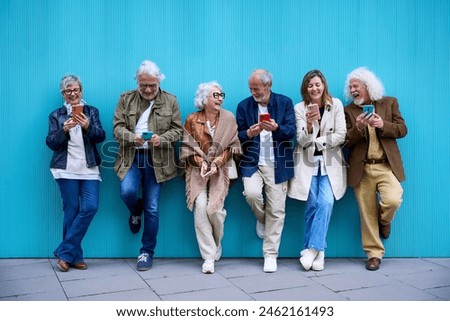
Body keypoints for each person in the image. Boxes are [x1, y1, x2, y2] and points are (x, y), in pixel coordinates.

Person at [113, 60, 182, 271]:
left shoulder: (170, 100)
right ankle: (135, 210)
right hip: (132, 156)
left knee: (152, 208)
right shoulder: (126, 98)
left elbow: (177, 130)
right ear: (137, 82)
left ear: (159, 81)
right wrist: (132, 137)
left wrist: (162, 139)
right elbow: (117, 128)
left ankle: (146, 252)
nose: (148, 89)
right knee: (127, 192)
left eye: (152, 85)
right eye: (143, 85)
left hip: (158, 160)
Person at [344, 67, 407, 271]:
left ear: (368, 86)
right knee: (366, 212)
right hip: (361, 168)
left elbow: (402, 130)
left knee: (393, 199)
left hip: (385, 166)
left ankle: (384, 219)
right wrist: (359, 127)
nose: (353, 90)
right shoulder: (349, 111)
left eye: (356, 85)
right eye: (350, 86)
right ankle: (374, 254)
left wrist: (382, 124)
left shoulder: (389, 103)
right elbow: (345, 141)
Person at [236, 69, 295, 273]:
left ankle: (270, 255)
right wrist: (249, 133)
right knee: (252, 194)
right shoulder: (244, 106)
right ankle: (263, 220)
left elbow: (291, 132)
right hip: (252, 161)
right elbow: (237, 136)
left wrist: (277, 128)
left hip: (277, 163)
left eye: (257, 88)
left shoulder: (285, 103)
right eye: (251, 88)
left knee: (277, 209)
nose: (254, 92)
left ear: (268, 86)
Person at [288, 70, 347, 271]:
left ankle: (312, 249)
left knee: (326, 202)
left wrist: (319, 141)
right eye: (310, 85)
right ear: (305, 88)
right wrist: (310, 126)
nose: (314, 88)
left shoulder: (336, 104)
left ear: (324, 85)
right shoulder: (299, 108)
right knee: (312, 205)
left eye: (317, 84)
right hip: (307, 164)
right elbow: (302, 141)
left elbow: (341, 135)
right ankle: (319, 254)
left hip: (330, 163)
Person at [180, 81, 241, 274]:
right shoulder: (192, 119)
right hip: (197, 170)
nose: (220, 98)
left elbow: (234, 146)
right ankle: (208, 257)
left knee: (214, 210)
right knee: (200, 210)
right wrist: (201, 162)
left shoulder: (229, 118)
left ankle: (215, 244)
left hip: (220, 170)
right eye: (216, 95)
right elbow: (186, 147)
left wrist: (215, 164)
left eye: (222, 95)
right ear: (204, 98)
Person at [46, 74, 106, 272]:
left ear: (81, 91)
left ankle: (64, 252)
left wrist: (88, 126)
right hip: (66, 169)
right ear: (63, 94)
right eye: (68, 91)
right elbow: (51, 143)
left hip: (88, 169)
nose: (73, 93)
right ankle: (74, 256)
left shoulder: (91, 111)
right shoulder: (56, 115)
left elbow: (100, 136)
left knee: (90, 207)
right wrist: (63, 130)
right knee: (71, 211)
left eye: (76, 90)